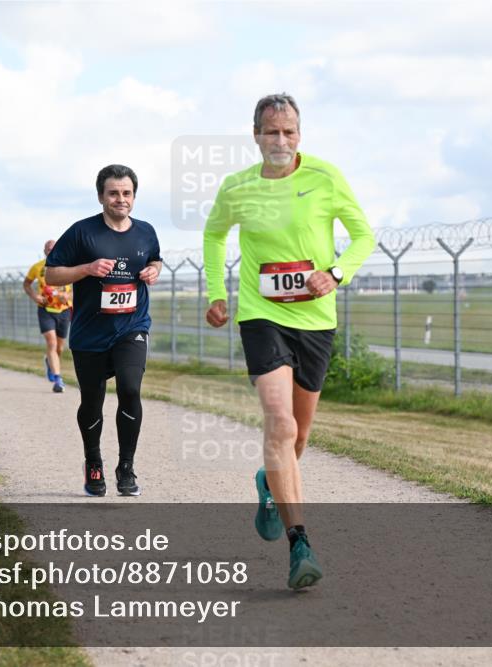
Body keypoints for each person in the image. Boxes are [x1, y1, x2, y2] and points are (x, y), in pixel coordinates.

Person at [203, 93, 376, 590]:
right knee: (278, 423)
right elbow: (214, 236)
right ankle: (300, 541)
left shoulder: (324, 177)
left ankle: (268, 483)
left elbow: (364, 235)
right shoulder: (237, 188)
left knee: (297, 437)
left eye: (289, 131)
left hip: (317, 320)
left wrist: (335, 273)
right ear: (255, 134)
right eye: (272, 131)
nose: (281, 140)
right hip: (261, 315)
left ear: (300, 134)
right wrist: (219, 293)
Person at [45, 164, 162, 497]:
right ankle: (92, 461)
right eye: (113, 193)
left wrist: (153, 270)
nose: (120, 199)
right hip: (90, 333)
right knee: (92, 402)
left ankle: (126, 467)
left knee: (130, 389)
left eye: (126, 193)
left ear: (134, 197)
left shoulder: (146, 231)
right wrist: (87, 268)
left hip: (132, 327)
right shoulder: (82, 233)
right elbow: (52, 275)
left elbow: (155, 259)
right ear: (101, 196)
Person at [25, 240, 74, 393]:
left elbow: (79, 286)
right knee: (51, 343)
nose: (51, 251)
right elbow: (26, 284)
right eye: (48, 249)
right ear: (44, 250)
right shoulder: (37, 267)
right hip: (45, 310)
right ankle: (58, 379)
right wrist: (35, 297)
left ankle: (49, 361)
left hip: (64, 310)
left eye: (54, 248)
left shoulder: (68, 265)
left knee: (59, 347)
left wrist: (68, 295)